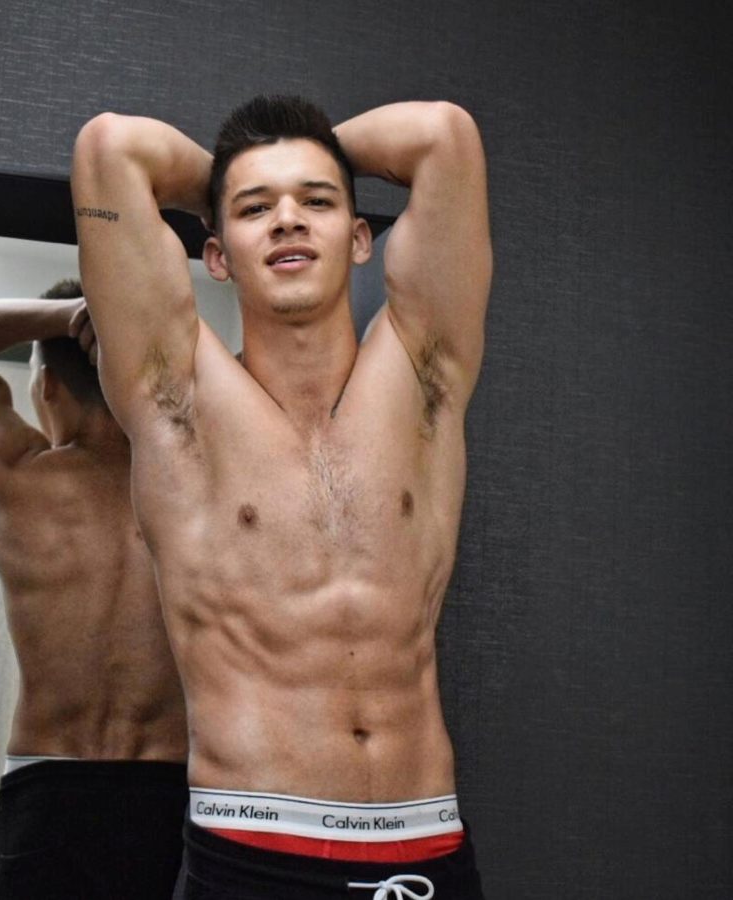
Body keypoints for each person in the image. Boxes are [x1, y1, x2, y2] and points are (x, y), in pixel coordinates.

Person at [71, 95, 492, 899]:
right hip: (255, 852)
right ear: (217, 254)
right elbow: (110, 148)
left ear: (361, 239)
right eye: (256, 210)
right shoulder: (176, 401)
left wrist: (277, 175)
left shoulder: (424, 378)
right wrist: (245, 177)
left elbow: (444, 136)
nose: (289, 219)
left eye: (318, 203)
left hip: (426, 848)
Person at [0, 278, 189, 900]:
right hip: (167, 799)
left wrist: (65, 316)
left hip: (47, 797)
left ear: (47, 386)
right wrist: (134, 333)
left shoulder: (18, 478)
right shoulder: (197, 489)